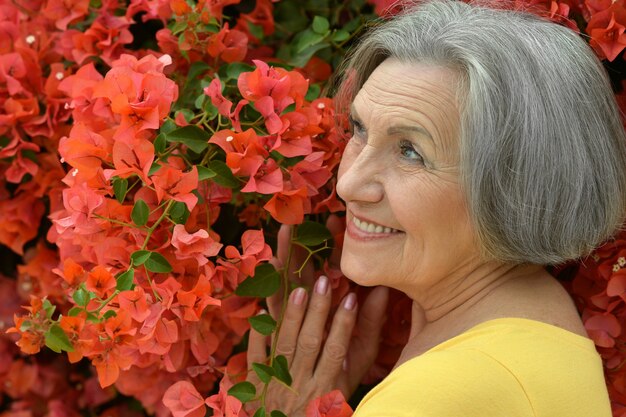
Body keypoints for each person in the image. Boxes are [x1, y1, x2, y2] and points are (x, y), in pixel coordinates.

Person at [247, 1, 626, 416]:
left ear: (515, 186)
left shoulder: (437, 396)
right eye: (358, 130)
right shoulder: (543, 333)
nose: (348, 184)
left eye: (410, 152)